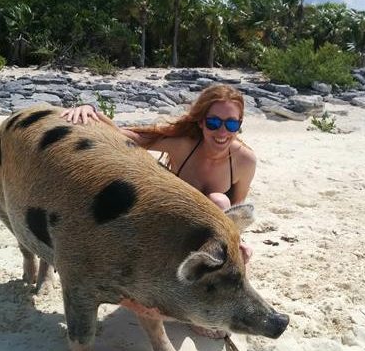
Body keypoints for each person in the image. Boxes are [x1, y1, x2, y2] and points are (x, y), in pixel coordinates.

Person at [61, 84, 256, 265]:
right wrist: (90, 109)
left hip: (215, 238)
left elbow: (237, 214)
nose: (222, 132)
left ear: (239, 125)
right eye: (214, 122)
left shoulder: (245, 161)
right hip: (178, 224)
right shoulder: (183, 145)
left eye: (231, 124)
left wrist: (240, 243)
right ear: (201, 122)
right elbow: (126, 135)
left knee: (220, 202)